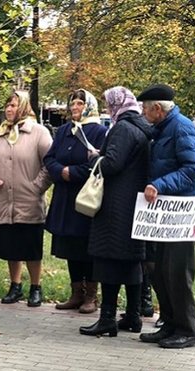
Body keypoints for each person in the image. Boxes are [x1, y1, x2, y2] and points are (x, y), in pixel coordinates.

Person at [137, 84, 195, 349]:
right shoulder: (163, 129)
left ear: (157, 108)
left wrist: (161, 185)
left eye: (145, 108)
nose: (143, 113)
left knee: (178, 272)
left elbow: (193, 170)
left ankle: (188, 329)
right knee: (161, 270)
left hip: (183, 213)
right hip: (165, 214)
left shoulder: (182, 128)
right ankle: (170, 323)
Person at [79, 86, 152, 337]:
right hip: (135, 202)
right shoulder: (141, 125)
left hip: (116, 205)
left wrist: (93, 158)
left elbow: (112, 164)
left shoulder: (122, 128)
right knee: (132, 259)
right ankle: (133, 315)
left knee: (108, 258)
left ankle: (107, 317)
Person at [0, 90, 52, 307]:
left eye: (13, 105)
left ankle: (36, 287)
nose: (9, 110)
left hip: (29, 201)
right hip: (4, 201)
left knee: (31, 247)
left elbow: (50, 163)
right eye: (7, 106)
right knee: (10, 246)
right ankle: (15, 285)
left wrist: (36, 187)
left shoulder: (38, 132)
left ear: (24, 107)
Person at [43, 89, 106, 314]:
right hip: (64, 196)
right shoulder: (63, 131)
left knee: (85, 246)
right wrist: (61, 171)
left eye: (80, 103)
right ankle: (76, 292)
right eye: (73, 104)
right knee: (69, 246)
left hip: (85, 197)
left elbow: (99, 162)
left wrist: (75, 172)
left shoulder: (99, 131)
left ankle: (91, 294)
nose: (75, 107)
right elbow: (49, 157)